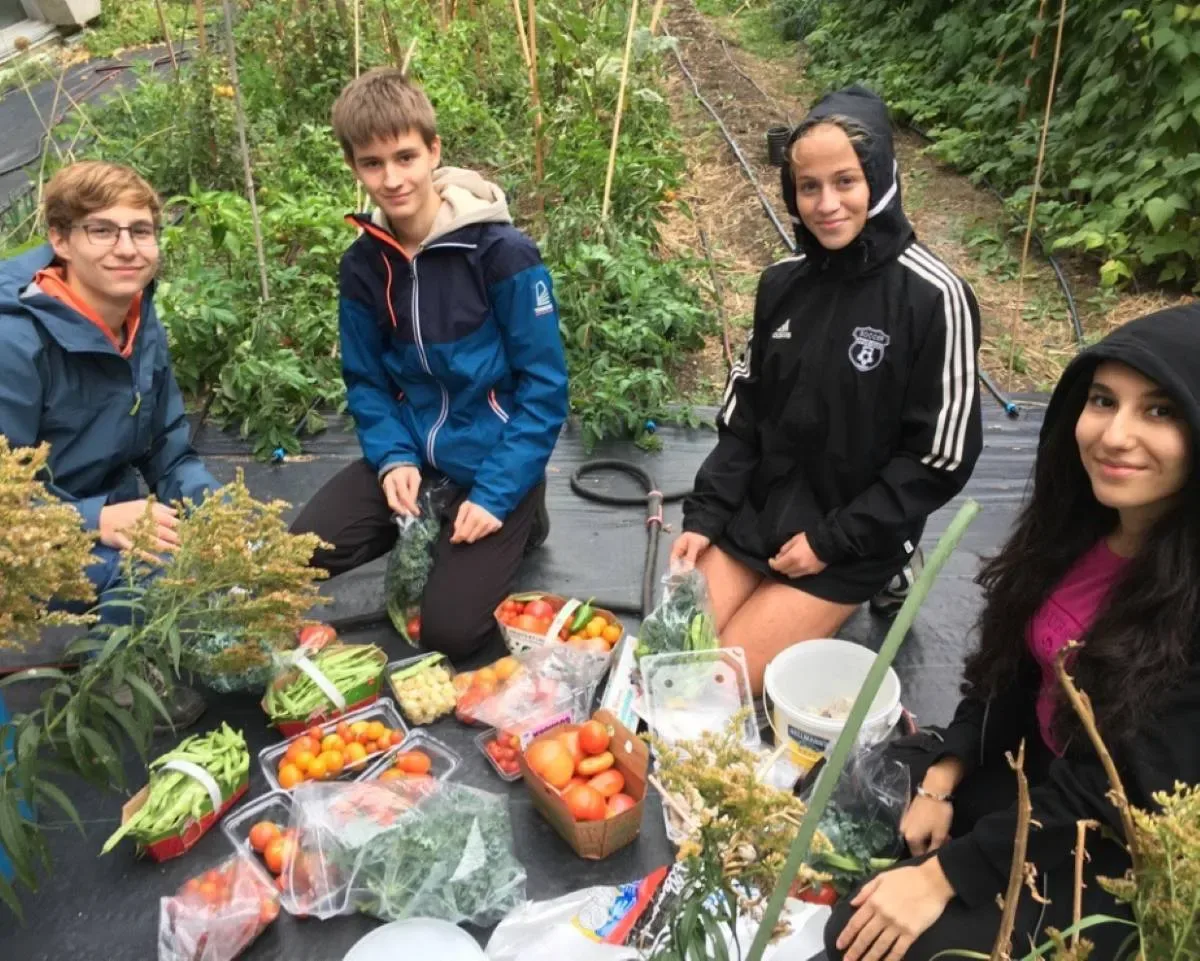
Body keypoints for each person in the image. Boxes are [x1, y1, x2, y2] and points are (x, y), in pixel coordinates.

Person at [824, 304, 1200, 961]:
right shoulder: (1077, 531)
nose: (1116, 435)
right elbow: (1006, 677)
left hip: (1107, 840)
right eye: (1103, 401)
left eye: (1159, 411)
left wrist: (946, 875)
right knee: (851, 800)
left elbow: (1116, 791)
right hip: (1032, 769)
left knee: (868, 938)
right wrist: (944, 774)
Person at [671, 86, 982, 692]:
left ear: (880, 178)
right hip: (763, 512)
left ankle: (890, 569)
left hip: (853, 534)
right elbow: (745, 418)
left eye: (846, 182)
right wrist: (706, 516)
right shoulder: (781, 283)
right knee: (672, 654)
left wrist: (830, 541)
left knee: (717, 682)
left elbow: (939, 458)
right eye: (808, 187)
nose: (826, 204)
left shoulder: (934, 296)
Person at [290, 68, 568, 660]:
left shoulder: (502, 255)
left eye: (405, 157)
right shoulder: (363, 266)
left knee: (450, 632)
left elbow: (544, 389)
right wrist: (393, 456)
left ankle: (523, 511)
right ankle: (424, 518)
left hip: (493, 458)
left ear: (434, 151)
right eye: (372, 163)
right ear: (353, 166)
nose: (392, 179)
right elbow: (366, 379)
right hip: (415, 455)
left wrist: (495, 494)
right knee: (294, 557)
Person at [0, 160, 217, 725]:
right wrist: (94, 519)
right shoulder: (14, 343)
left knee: (220, 549)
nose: (127, 248)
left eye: (140, 231)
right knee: (155, 567)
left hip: (109, 508)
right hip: (25, 540)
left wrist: (217, 512)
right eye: (102, 230)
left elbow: (168, 444)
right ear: (61, 240)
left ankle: (137, 636)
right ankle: (112, 683)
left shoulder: (137, 318)